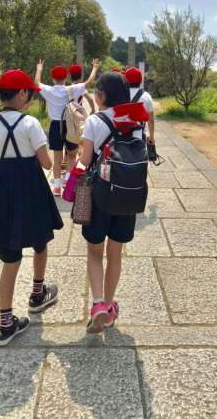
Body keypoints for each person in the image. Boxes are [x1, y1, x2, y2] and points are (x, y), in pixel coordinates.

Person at [0, 69, 63, 347]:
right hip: (32, 188)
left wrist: (2, 164)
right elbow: (47, 163)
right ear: (22, 93)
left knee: (10, 256)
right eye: (29, 94)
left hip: (4, 191)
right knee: (40, 241)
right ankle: (37, 294)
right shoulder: (30, 123)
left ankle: (5, 323)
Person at [79, 72, 149, 334]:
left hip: (100, 194)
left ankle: (97, 303)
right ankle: (109, 306)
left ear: (102, 96)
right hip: (128, 194)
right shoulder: (137, 120)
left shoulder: (94, 121)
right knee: (115, 253)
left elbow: (85, 161)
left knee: (95, 252)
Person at [35, 59, 100, 196]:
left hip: (55, 125)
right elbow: (89, 82)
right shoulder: (72, 89)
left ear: (52, 78)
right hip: (70, 125)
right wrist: (94, 68)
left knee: (57, 158)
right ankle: (68, 182)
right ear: (66, 78)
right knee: (71, 155)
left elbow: (36, 83)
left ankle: (57, 186)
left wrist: (39, 69)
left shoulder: (49, 91)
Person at [125, 67, 155, 145]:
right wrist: (151, 137)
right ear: (141, 80)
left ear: (125, 80)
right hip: (139, 137)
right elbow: (150, 119)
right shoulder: (146, 96)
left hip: (121, 138)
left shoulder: (120, 94)